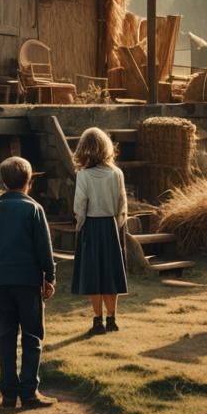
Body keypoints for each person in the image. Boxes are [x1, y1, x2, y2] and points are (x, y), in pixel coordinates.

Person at [0, 156, 56, 409]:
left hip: (3, 282)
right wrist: (50, 277)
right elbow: (44, 249)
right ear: (29, 182)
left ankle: (8, 393)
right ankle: (29, 391)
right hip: (28, 281)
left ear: (3, 182)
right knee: (32, 335)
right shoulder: (33, 210)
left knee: (6, 336)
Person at [71, 127, 128, 337]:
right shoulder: (117, 173)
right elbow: (122, 204)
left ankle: (98, 320)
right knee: (111, 274)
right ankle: (112, 318)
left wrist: (80, 225)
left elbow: (80, 205)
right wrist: (119, 224)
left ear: (83, 149)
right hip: (111, 226)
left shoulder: (83, 175)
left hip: (92, 227)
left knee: (93, 275)